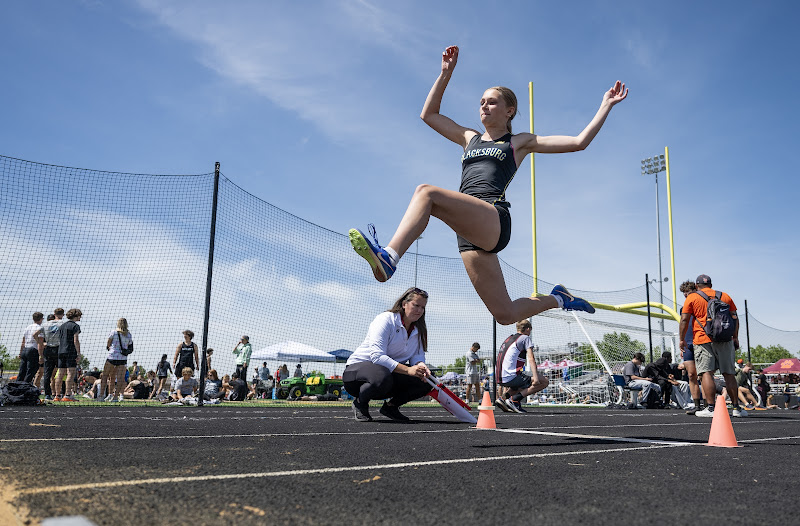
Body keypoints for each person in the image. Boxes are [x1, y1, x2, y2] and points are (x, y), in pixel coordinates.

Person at [349, 45, 626, 326]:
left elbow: (579, 142)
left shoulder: (519, 142)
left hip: (493, 217)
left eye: (492, 102)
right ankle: (559, 298)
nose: (484, 105)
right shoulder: (468, 137)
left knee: (426, 193)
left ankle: (390, 258)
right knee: (504, 315)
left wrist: (605, 105)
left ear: (509, 111)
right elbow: (429, 115)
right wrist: (445, 74)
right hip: (468, 230)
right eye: (482, 101)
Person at [343, 287, 433, 422]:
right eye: (416, 305)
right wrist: (408, 369)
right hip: (356, 374)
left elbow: (417, 357)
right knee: (382, 376)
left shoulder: (419, 330)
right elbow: (377, 356)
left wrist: (421, 366)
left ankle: (391, 407)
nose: (419, 310)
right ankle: (360, 403)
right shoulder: (385, 319)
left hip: (386, 374)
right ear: (404, 304)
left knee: (427, 380)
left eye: (422, 307)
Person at [679, 274, 746, 418]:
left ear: (697, 286)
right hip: (725, 339)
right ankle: (736, 408)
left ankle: (710, 408)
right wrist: (735, 337)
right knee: (729, 374)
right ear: (711, 284)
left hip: (702, 339)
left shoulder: (692, 298)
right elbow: (735, 318)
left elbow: (684, 319)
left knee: (706, 373)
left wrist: (682, 339)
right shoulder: (725, 296)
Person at [494, 319, 549, 413]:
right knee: (544, 381)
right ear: (527, 329)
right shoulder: (525, 338)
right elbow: (531, 358)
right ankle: (515, 400)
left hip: (499, 376)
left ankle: (503, 399)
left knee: (519, 386)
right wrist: (536, 378)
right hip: (510, 376)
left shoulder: (509, 338)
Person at [678, 280, 703, 414]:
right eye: (684, 294)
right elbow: (683, 325)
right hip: (688, 344)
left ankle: (708, 404)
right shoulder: (683, 308)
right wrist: (681, 342)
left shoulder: (701, 305)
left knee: (703, 375)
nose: (686, 295)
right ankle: (697, 405)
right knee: (691, 375)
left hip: (701, 342)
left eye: (688, 292)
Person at [101, 318, 133, 402]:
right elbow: (130, 345)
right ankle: (115, 397)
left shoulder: (113, 332)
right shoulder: (128, 334)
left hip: (112, 357)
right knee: (120, 379)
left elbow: (108, 343)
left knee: (105, 376)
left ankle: (101, 396)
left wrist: (110, 348)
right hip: (122, 358)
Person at [55, 309, 83, 402]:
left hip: (61, 351)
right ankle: (67, 395)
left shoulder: (62, 326)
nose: (80, 317)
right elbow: (76, 340)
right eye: (80, 316)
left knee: (60, 374)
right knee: (71, 373)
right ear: (76, 316)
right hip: (70, 351)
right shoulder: (75, 326)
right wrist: (78, 353)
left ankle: (57, 395)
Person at [40, 309, 65, 400]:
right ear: (63, 314)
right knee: (61, 372)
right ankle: (61, 393)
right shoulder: (63, 324)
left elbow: (36, 334)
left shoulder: (45, 324)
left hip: (48, 349)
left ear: (54, 314)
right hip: (59, 348)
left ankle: (48, 394)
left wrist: (41, 343)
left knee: (47, 373)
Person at [18, 311, 44, 384]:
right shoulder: (40, 328)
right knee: (31, 371)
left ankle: (17, 386)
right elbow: (40, 343)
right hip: (33, 350)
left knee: (22, 371)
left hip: (25, 349)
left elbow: (23, 341)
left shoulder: (28, 327)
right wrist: (41, 355)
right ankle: (25, 386)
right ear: (41, 319)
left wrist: (20, 352)